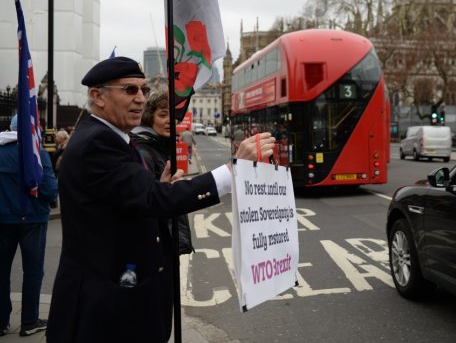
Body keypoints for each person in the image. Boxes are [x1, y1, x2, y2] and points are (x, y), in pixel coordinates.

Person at [47, 57, 275, 343]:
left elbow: (134, 197)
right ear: (98, 96)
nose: (140, 99)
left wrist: (157, 188)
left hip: (120, 298)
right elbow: (155, 200)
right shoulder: (97, 142)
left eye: (143, 90)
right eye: (130, 90)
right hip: (107, 309)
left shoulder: (114, 137)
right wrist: (232, 172)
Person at [0, 115, 58, 337]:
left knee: (2, 271)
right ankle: (29, 320)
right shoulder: (36, 152)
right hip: (32, 218)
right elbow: (50, 190)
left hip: (3, 218)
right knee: (33, 271)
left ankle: (1, 321)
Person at [131, 90, 194, 255]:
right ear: (150, 117)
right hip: (157, 244)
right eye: (163, 115)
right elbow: (147, 203)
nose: (169, 121)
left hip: (167, 240)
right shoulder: (144, 152)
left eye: (173, 116)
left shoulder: (161, 146)